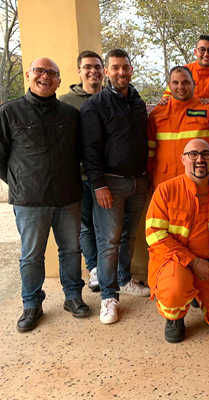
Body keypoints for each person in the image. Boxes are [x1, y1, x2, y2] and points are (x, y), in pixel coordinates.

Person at [0, 57, 89, 332]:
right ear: (29, 75)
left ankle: (73, 297)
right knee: (31, 255)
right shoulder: (9, 112)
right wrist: (19, 182)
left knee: (72, 250)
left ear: (59, 81)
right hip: (30, 200)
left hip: (68, 196)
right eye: (40, 71)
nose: (45, 77)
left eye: (52, 73)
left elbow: (79, 154)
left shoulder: (70, 115)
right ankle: (31, 304)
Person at [145, 138, 209, 343]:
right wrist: (192, 261)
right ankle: (175, 317)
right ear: (183, 159)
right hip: (174, 263)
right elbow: (155, 234)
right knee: (175, 288)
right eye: (193, 154)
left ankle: (197, 295)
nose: (199, 159)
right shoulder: (166, 190)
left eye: (205, 154)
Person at [80, 49, 151, 325]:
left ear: (131, 69)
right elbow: (90, 150)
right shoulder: (95, 105)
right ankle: (109, 296)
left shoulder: (136, 101)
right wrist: (98, 185)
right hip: (110, 183)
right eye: (115, 68)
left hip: (138, 181)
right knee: (108, 241)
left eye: (125, 67)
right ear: (107, 72)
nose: (121, 72)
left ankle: (124, 278)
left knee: (128, 236)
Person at [59, 50, 127, 294]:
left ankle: (114, 272)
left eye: (98, 67)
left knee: (108, 228)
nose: (93, 71)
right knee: (85, 225)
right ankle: (94, 268)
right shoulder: (67, 101)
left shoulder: (113, 97)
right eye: (88, 67)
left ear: (104, 71)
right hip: (78, 176)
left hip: (106, 176)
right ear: (79, 71)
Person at [148, 65, 209, 187]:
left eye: (185, 82)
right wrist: (150, 181)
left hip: (201, 183)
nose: (180, 87)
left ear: (194, 84)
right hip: (164, 184)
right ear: (169, 85)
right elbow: (149, 152)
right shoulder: (157, 113)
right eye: (175, 83)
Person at [162, 35, 209, 106]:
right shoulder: (183, 72)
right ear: (195, 52)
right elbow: (167, 97)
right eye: (202, 50)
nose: (206, 54)